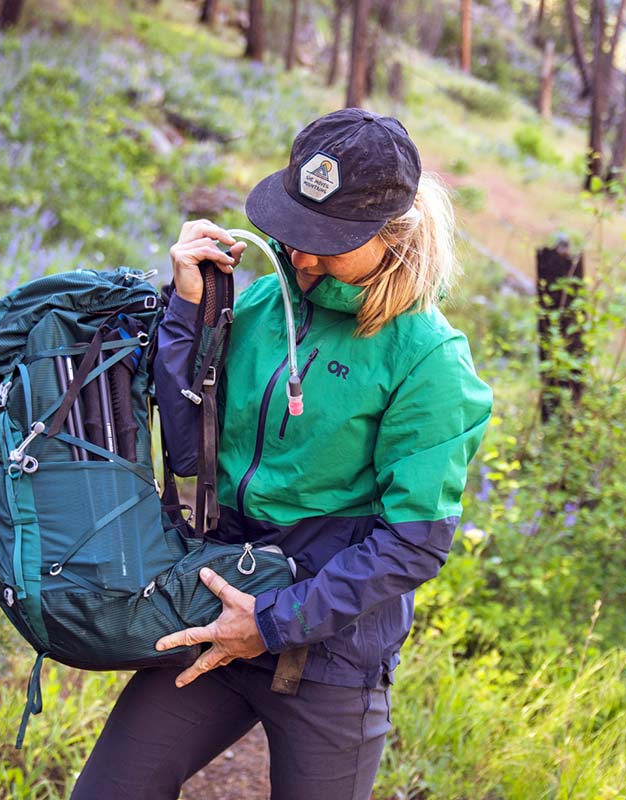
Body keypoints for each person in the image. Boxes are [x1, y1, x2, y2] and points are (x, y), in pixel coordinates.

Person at [71, 108, 493, 800]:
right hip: (215, 605)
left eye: (327, 242)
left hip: (330, 655)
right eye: (295, 230)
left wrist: (270, 624)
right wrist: (188, 310)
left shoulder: (429, 360)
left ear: (393, 236)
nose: (300, 256)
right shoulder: (266, 304)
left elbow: (413, 543)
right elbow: (188, 452)